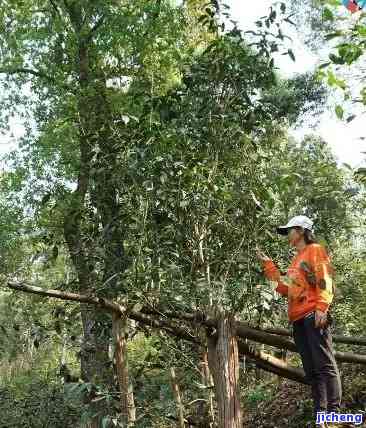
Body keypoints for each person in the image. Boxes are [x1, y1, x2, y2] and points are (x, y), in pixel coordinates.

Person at [256, 215, 342, 428]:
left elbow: (325, 278)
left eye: (290, 230)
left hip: (313, 313)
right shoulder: (296, 260)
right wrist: (268, 265)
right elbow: (286, 288)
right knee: (312, 369)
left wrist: (322, 307)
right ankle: (321, 417)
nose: (287, 235)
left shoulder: (315, 250)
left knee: (325, 365)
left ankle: (334, 415)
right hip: (298, 318)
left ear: (301, 231)